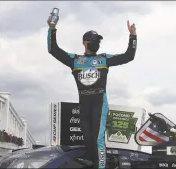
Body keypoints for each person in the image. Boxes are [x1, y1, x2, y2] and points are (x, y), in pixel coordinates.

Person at [47, 14, 137, 169]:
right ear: (84, 43)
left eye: (98, 41)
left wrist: (133, 36)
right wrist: (52, 29)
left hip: (99, 101)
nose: (97, 43)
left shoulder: (104, 59)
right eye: (94, 41)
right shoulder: (74, 60)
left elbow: (128, 56)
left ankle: (101, 167)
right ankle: (91, 163)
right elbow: (53, 49)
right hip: (84, 101)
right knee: (87, 137)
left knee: (98, 138)